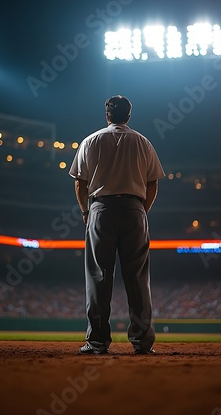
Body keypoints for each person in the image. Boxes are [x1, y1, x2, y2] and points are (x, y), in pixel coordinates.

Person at [69, 95, 165, 355]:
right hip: (134, 207)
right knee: (137, 278)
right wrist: (141, 211)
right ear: (129, 116)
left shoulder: (91, 140)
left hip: (101, 208)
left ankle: (98, 342)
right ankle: (143, 343)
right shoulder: (143, 141)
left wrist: (86, 212)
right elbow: (153, 182)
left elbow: (80, 182)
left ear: (107, 115)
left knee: (99, 276)